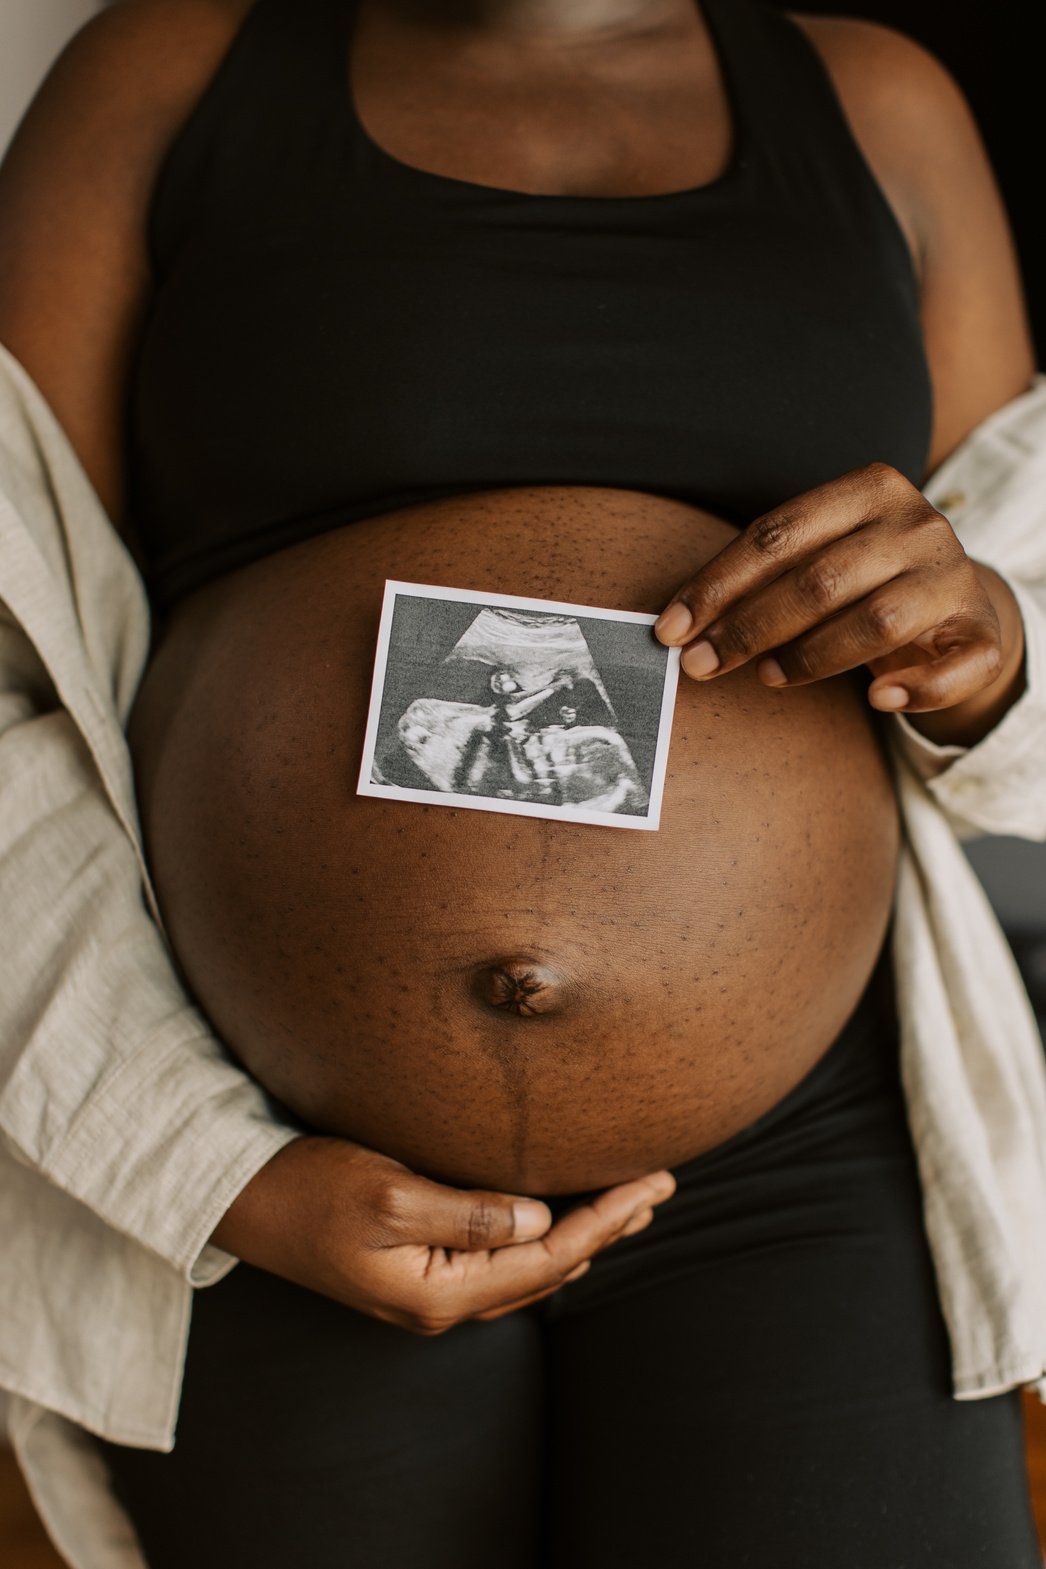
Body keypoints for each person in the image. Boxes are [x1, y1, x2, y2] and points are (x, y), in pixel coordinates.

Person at [0, 1, 1045, 1566]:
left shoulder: (879, 100)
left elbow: (1012, 593)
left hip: (806, 1145)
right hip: (256, 1137)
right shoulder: (172, 63)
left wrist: (992, 650)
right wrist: (213, 1169)